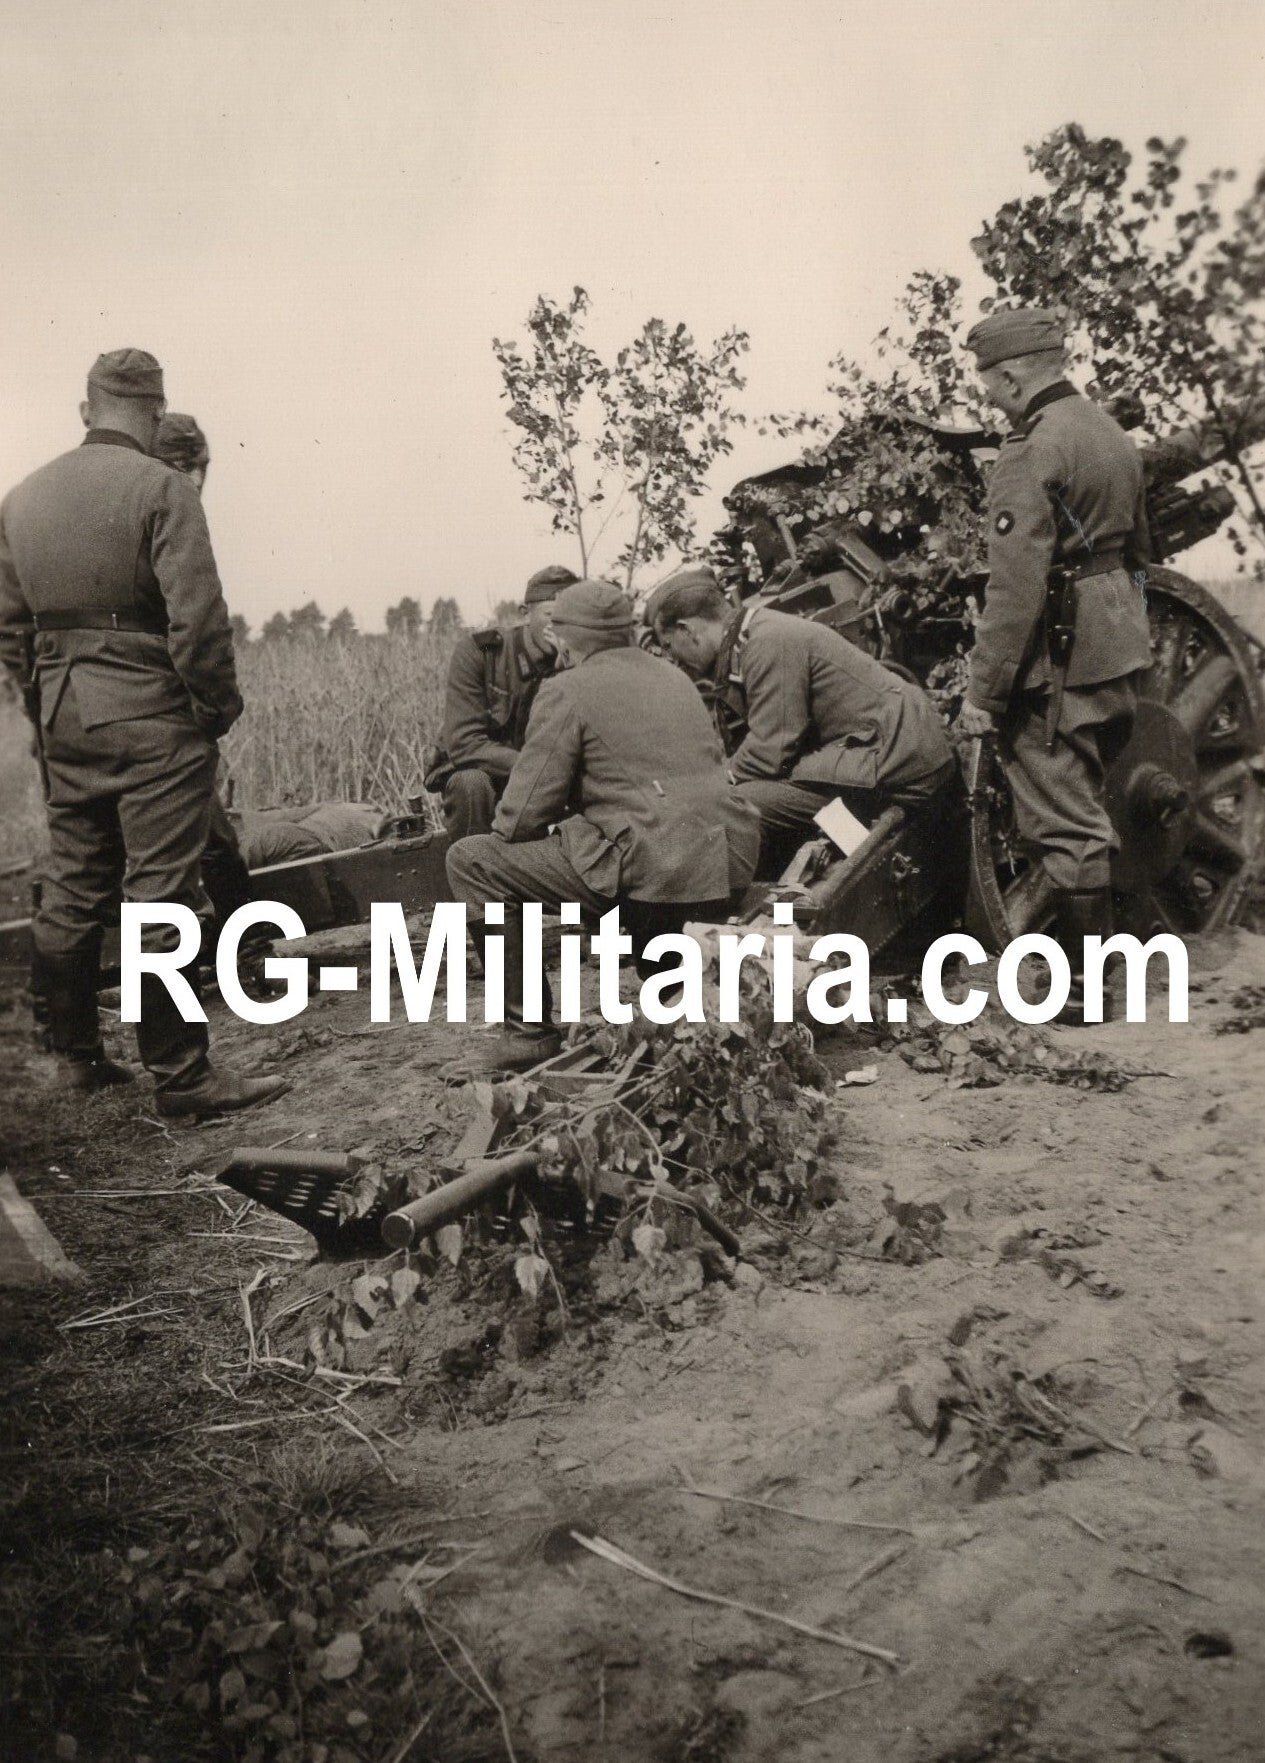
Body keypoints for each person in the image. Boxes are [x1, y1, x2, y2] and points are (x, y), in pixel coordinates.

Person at [0, 348, 288, 1116]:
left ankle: (73, 1058)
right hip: (152, 720)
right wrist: (210, 712)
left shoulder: (22, 497)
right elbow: (199, 620)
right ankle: (183, 1077)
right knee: (162, 894)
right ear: (156, 412)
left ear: (86, 408)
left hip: (65, 719)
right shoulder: (162, 487)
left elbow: (11, 632)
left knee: (73, 888)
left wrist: (46, 712)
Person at [446, 578, 760, 1072]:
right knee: (632, 850)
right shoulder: (674, 676)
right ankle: (673, 986)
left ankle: (528, 1035)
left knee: (473, 861)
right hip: (729, 858)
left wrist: (565, 826)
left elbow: (520, 818)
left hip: (659, 867)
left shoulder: (565, 689)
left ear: (563, 638)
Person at [954, 309, 1151, 1022]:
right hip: (1116, 644)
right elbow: (1139, 554)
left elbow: (1013, 592)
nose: (988, 395)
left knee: (1065, 819)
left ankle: (1086, 992)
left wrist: (982, 694)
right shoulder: (1110, 434)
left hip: (1059, 656)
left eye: (987, 382)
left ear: (1010, 376)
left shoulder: (1030, 450)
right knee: (1088, 801)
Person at [648, 564, 956, 875]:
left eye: (669, 646)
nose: (674, 659)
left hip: (899, 763)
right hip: (883, 755)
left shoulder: (766, 641)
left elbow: (769, 752)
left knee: (738, 803)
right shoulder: (755, 636)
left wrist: (708, 785)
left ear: (688, 630)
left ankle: (788, 894)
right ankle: (817, 871)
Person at [426, 563, 578, 838]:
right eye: (551, 616)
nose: (560, 629)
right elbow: (464, 743)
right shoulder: (482, 653)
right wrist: (538, 767)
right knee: (470, 784)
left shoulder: (580, 661)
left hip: (546, 776)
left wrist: (571, 666)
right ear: (525, 613)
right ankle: (471, 862)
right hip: (490, 772)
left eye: (571, 620)